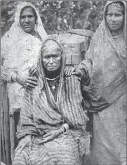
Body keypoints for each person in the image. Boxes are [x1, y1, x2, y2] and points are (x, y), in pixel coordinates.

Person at [66, 1, 126, 165]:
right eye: (110, 14)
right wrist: (81, 70)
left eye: (118, 15)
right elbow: (89, 62)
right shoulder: (100, 38)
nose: (113, 19)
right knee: (103, 149)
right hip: (101, 101)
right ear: (105, 16)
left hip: (122, 102)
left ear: (125, 16)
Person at [12, 38, 90, 165]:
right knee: (20, 156)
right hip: (38, 135)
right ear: (41, 59)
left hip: (65, 133)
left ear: (62, 57)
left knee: (62, 156)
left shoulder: (70, 79)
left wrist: (59, 131)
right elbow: (26, 115)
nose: (51, 61)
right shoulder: (34, 82)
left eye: (55, 56)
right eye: (47, 57)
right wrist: (27, 136)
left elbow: (76, 118)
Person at [1, 2, 47, 164]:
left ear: (36, 19)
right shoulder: (7, 40)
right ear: (17, 19)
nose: (26, 20)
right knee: (18, 138)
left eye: (30, 16)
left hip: (37, 98)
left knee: (36, 139)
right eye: (23, 17)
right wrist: (17, 77)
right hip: (14, 99)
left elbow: (52, 61)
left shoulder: (42, 39)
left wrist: (40, 68)